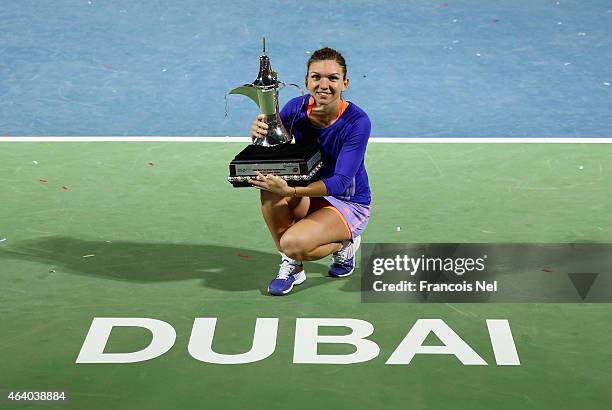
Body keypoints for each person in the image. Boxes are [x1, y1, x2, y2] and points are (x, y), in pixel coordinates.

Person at [248, 47, 371, 296]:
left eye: (332, 78)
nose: (323, 85)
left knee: (293, 243)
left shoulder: (357, 122)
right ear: (307, 81)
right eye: (316, 77)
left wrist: (291, 190)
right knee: (269, 191)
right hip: (310, 194)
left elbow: (340, 181)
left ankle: (345, 245)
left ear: (345, 83)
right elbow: (274, 147)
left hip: (347, 203)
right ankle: (292, 265)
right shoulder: (296, 109)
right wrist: (260, 130)